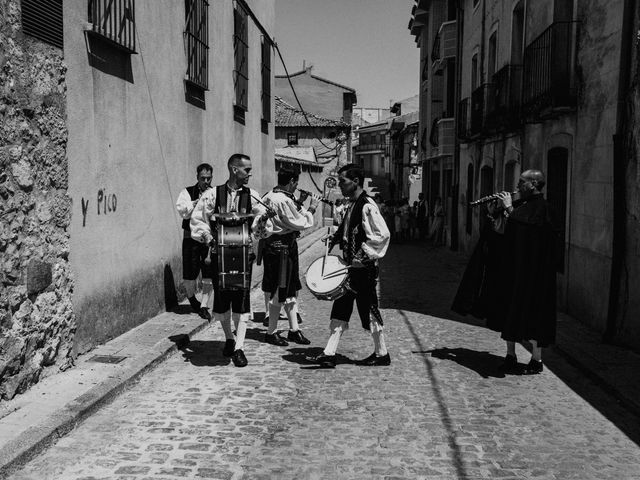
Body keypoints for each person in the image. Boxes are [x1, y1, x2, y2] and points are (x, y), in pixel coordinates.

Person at [190, 154, 271, 367]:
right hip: (219, 256)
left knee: (242, 301)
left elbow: (261, 227)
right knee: (223, 301)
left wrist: (260, 224)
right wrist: (209, 239)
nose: (249, 174)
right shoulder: (212, 195)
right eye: (247, 170)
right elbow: (198, 220)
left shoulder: (253, 196)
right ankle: (229, 338)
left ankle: (239, 348)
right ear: (235, 170)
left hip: (244, 257)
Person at [310, 164, 391, 368]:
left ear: (355, 181)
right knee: (341, 308)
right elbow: (348, 228)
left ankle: (382, 354)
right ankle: (329, 353)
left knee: (369, 310)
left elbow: (382, 235)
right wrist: (335, 237)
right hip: (351, 270)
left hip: (363, 272)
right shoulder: (352, 204)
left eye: (343, 181)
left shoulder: (367, 205)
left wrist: (363, 256)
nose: (340, 185)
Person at [494, 169, 557, 374]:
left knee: (535, 316)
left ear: (533, 184)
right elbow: (509, 231)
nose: (518, 186)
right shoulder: (524, 206)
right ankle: (510, 355)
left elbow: (529, 230)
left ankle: (536, 360)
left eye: (522, 183)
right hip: (517, 271)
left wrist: (510, 209)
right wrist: (498, 211)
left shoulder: (543, 208)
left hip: (536, 274)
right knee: (510, 312)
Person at [261, 165, 321, 346]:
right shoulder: (282, 200)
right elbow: (298, 222)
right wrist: (312, 208)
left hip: (283, 248)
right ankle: (271, 332)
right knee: (279, 291)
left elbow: (290, 215)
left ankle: (294, 330)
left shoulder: (270, 195)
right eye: (296, 183)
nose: (296, 187)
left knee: (289, 290)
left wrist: (299, 203)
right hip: (281, 250)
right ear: (292, 181)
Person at [175, 163, 214, 321]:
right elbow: (183, 212)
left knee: (208, 272)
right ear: (197, 177)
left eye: (208, 178)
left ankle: (204, 305)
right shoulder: (186, 192)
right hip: (190, 237)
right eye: (203, 178)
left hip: (208, 238)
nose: (206, 181)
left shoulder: (214, 193)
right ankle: (192, 298)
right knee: (189, 274)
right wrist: (195, 202)